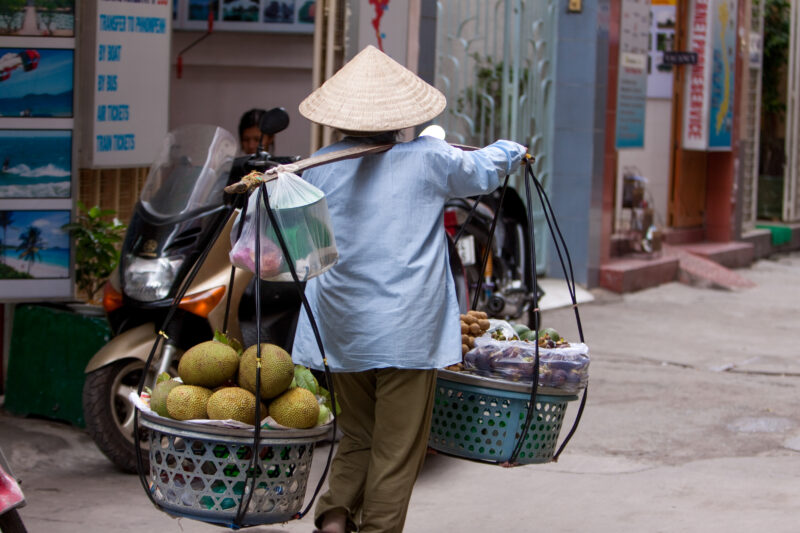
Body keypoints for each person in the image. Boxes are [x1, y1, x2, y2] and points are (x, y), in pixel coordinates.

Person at [290, 45, 527, 533]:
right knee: (397, 449)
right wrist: (512, 149)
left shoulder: (316, 165)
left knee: (356, 434)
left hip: (341, 326)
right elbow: (485, 169)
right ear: (401, 118)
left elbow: (302, 243)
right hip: (406, 331)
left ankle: (334, 518)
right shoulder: (429, 158)